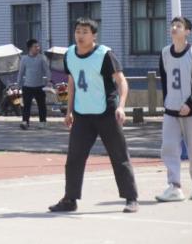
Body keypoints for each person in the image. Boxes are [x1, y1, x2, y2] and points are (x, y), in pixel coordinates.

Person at [49, 17, 139, 214]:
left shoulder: (104, 54)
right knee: (74, 158)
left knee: (119, 155)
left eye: (85, 32)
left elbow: (121, 81)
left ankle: (131, 198)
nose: (80, 36)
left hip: (106, 112)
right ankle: (70, 199)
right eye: (77, 31)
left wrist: (121, 107)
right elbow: (71, 82)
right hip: (82, 114)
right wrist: (69, 111)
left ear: (94, 36)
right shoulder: (70, 54)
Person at [156, 16, 192, 202]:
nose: (174, 28)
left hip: (191, 111)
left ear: (187, 32)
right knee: (169, 148)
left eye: (179, 26)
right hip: (171, 110)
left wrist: (190, 104)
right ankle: (174, 187)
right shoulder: (165, 53)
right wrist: (168, 102)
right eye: (173, 25)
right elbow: (165, 81)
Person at [17, 39, 50, 130]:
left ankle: (42, 122)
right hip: (27, 86)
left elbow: (47, 70)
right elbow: (21, 72)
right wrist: (18, 84)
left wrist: (49, 80)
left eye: (38, 46)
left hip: (39, 86)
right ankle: (25, 122)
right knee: (26, 105)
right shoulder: (24, 59)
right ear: (30, 48)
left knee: (41, 105)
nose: (38, 48)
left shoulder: (42, 58)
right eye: (35, 46)